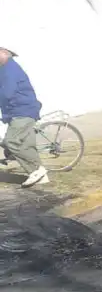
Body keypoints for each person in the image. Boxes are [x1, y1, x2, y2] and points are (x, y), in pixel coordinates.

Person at [0, 47, 47, 188]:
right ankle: (41, 177)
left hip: (23, 111)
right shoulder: (6, 68)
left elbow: (7, 93)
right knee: (26, 144)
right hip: (22, 110)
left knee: (12, 142)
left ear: (5, 54)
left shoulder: (9, 70)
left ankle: (37, 170)